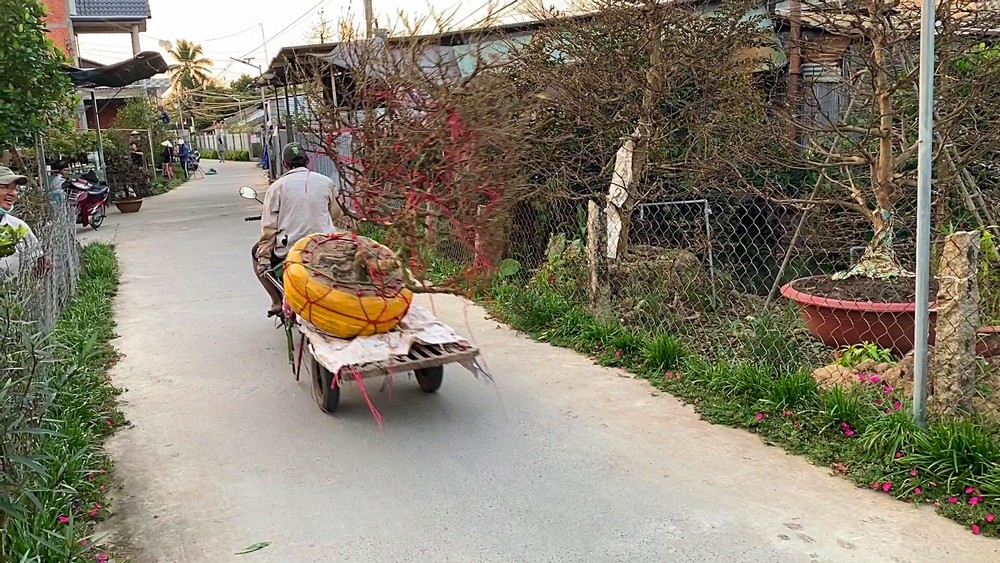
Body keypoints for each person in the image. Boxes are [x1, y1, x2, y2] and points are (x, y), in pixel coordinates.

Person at [253, 143, 345, 317]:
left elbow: (269, 229)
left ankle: (277, 301)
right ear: (308, 161)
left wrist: (264, 257)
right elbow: (336, 212)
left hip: (290, 250)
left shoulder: (277, 187)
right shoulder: (326, 182)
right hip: (323, 245)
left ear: (285, 164)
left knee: (254, 253)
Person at [0, 166, 51, 279]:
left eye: (14, 189)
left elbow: (36, 258)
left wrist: (41, 263)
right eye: (4, 187)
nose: (12, 193)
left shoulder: (18, 227)